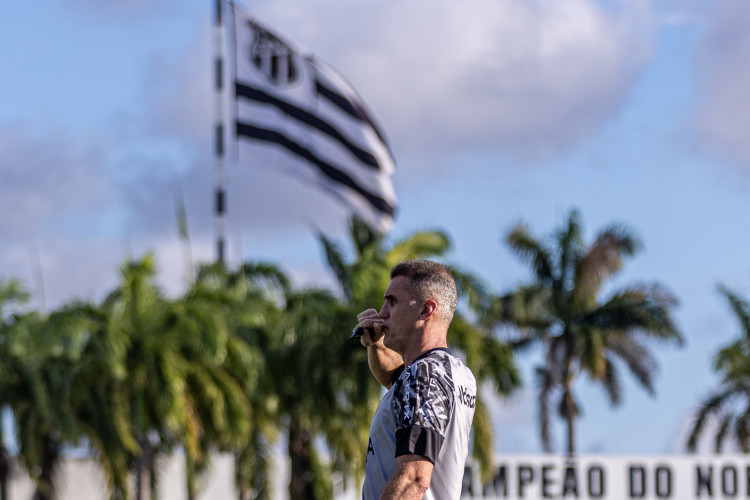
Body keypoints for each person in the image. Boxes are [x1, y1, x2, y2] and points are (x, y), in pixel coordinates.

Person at [354, 260, 477, 500]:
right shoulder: (450, 371)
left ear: (425, 310)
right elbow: (396, 382)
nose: (382, 313)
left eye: (392, 302)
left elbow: (414, 480)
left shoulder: (426, 375)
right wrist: (376, 344)